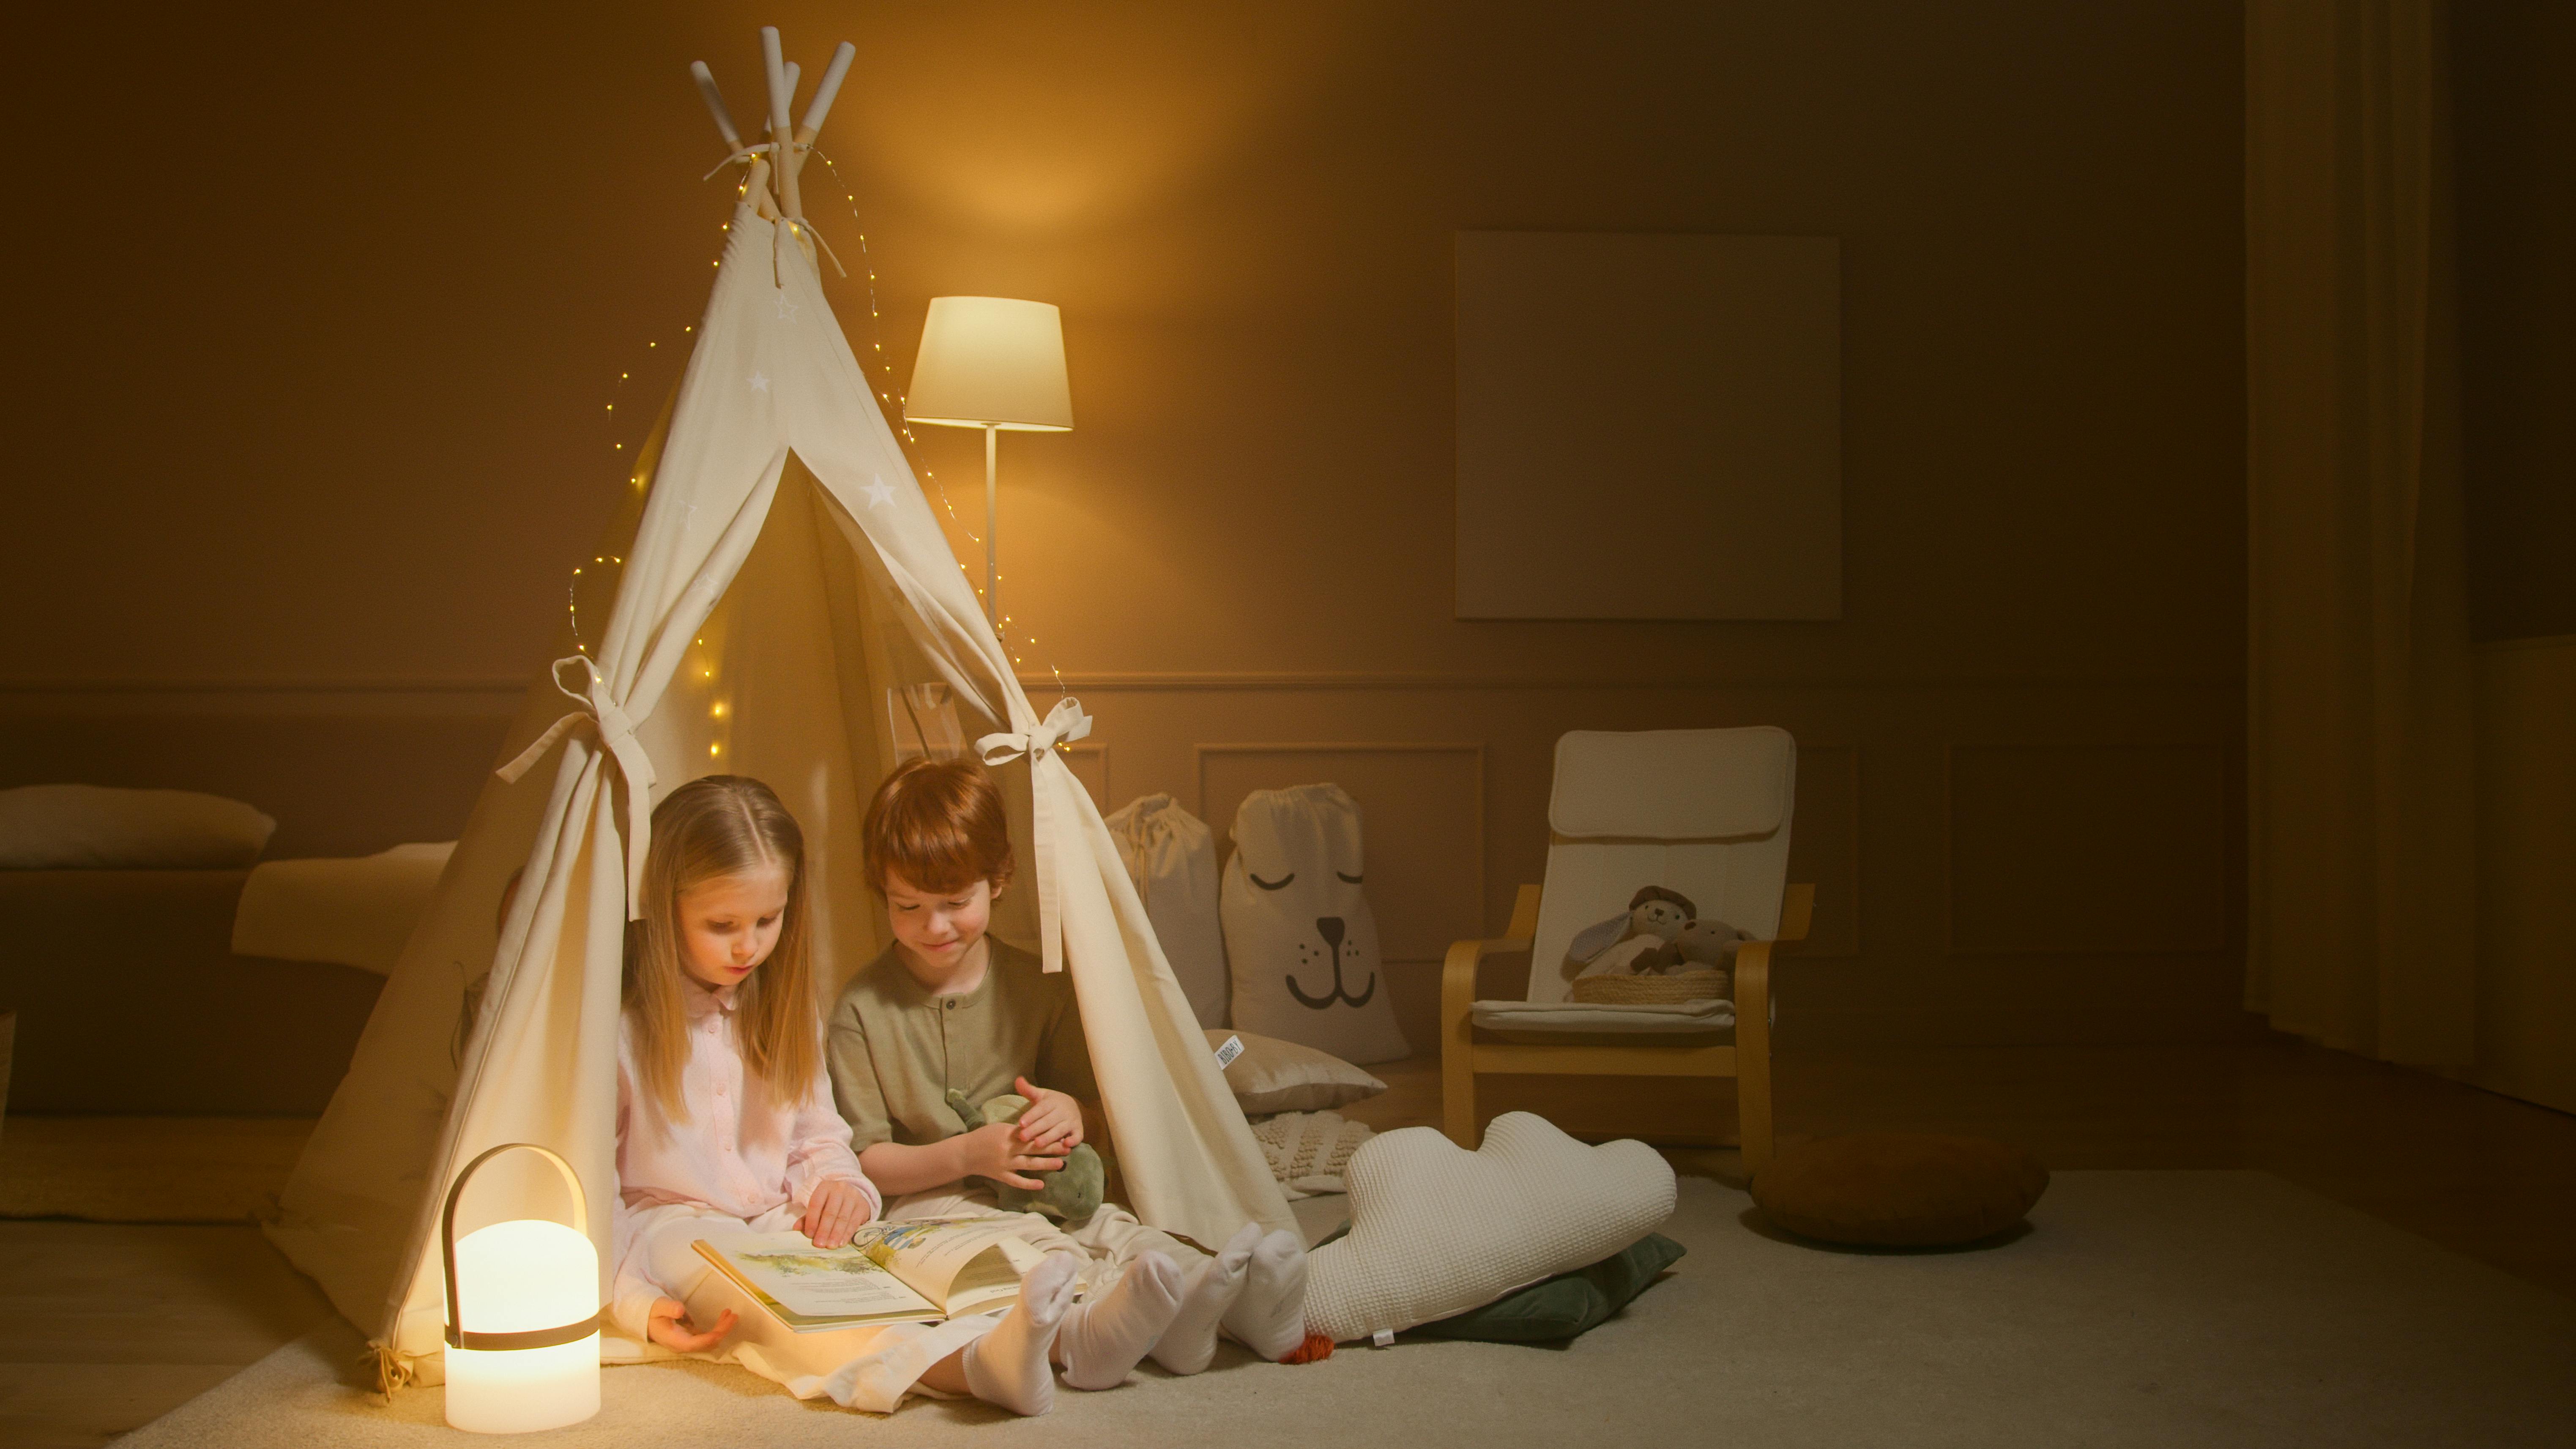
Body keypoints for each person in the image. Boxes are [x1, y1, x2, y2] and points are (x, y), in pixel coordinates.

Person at [609, 774, 1085, 1416]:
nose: (749, 945)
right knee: (784, 1311)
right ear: (666, 910)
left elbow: (819, 1137)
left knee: (886, 1272)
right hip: (668, 1226)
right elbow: (591, 1185)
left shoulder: (779, 1004)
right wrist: (632, 1303)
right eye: (722, 925)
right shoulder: (621, 1025)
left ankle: (1065, 1338)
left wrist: (843, 1189)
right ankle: (967, 1370)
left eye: (767, 920)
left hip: (782, 1214)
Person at [827, 757, 1310, 1378]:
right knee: (1033, 1251)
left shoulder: (1039, 987)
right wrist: (967, 1157)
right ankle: (1101, 1330)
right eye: (907, 906)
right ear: (882, 893)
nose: (934, 926)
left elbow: (1097, 1109)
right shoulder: (860, 1010)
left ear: (997, 880)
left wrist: (1070, 1113)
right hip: (933, 1204)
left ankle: (1230, 1307)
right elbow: (868, 1160)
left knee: (1116, 1226)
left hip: (1044, 1186)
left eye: (954, 901)